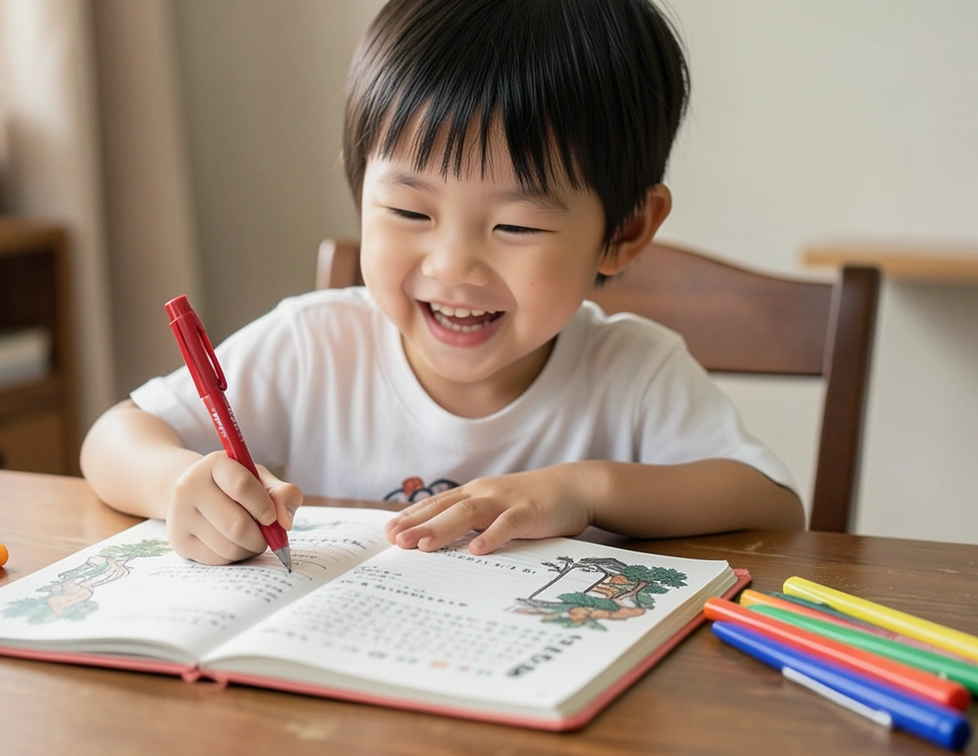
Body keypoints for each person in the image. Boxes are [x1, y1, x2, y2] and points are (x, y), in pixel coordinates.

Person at [80, 0, 804, 566]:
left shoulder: (636, 374)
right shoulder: (313, 345)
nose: (453, 266)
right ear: (359, 187)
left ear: (625, 230)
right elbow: (113, 439)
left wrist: (584, 490)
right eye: (408, 211)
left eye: (515, 226)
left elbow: (773, 507)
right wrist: (179, 484)